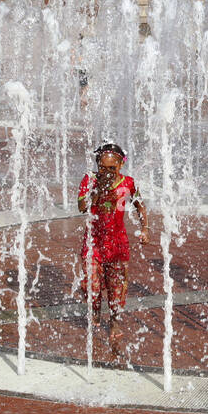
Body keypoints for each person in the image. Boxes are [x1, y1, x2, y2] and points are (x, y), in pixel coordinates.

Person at [76, 142, 148, 345]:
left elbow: (140, 205)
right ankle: (95, 309)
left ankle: (115, 321)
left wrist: (145, 229)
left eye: (111, 168)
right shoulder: (89, 180)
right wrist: (96, 192)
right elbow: (81, 206)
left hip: (117, 244)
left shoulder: (129, 183)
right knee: (93, 285)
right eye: (102, 167)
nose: (106, 172)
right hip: (93, 243)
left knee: (117, 288)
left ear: (120, 166)